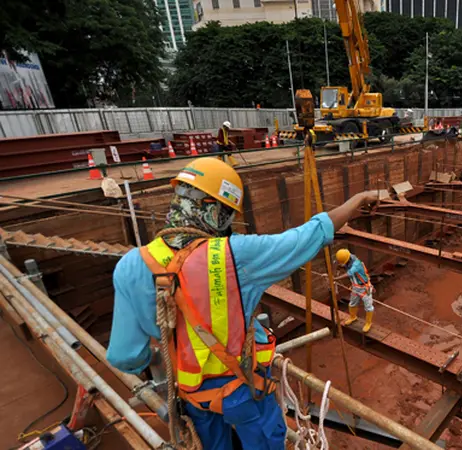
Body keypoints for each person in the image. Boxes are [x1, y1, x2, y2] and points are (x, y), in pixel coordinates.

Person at [107, 157, 378, 450]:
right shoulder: (234, 255)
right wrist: (357, 200)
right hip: (242, 393)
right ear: (219, 213)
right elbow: (302, 239)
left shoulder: (131, 265)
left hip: (193, 397)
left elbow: (125, 357)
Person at [335, 249, 374, 333]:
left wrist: (335, 278)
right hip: (355, 287)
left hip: (364, 288)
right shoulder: (348, 258)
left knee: (368, 306)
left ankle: (368, 323)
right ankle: (353, 317)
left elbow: (349, 273)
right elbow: (345, 264)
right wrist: (341, 266)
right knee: (352, 303)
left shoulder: (356, 264)